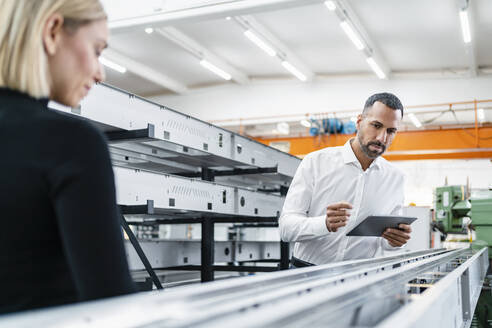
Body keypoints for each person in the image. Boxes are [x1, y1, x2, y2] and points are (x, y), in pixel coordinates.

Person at [0, 0, 136, 314]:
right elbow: (112, 305)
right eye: (97, 51)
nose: (100, 73)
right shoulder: (72, 143)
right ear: (52, 31)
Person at [279, 93, 412, 267]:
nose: (382, 138)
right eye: (376, 125)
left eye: (391, 131)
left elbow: (384, 241)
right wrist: (324, 224)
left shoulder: (395, 178)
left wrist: (395, 241)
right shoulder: (316, 162)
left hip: (358, 277)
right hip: (305, 273)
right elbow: (286, 229)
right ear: (359, 122)